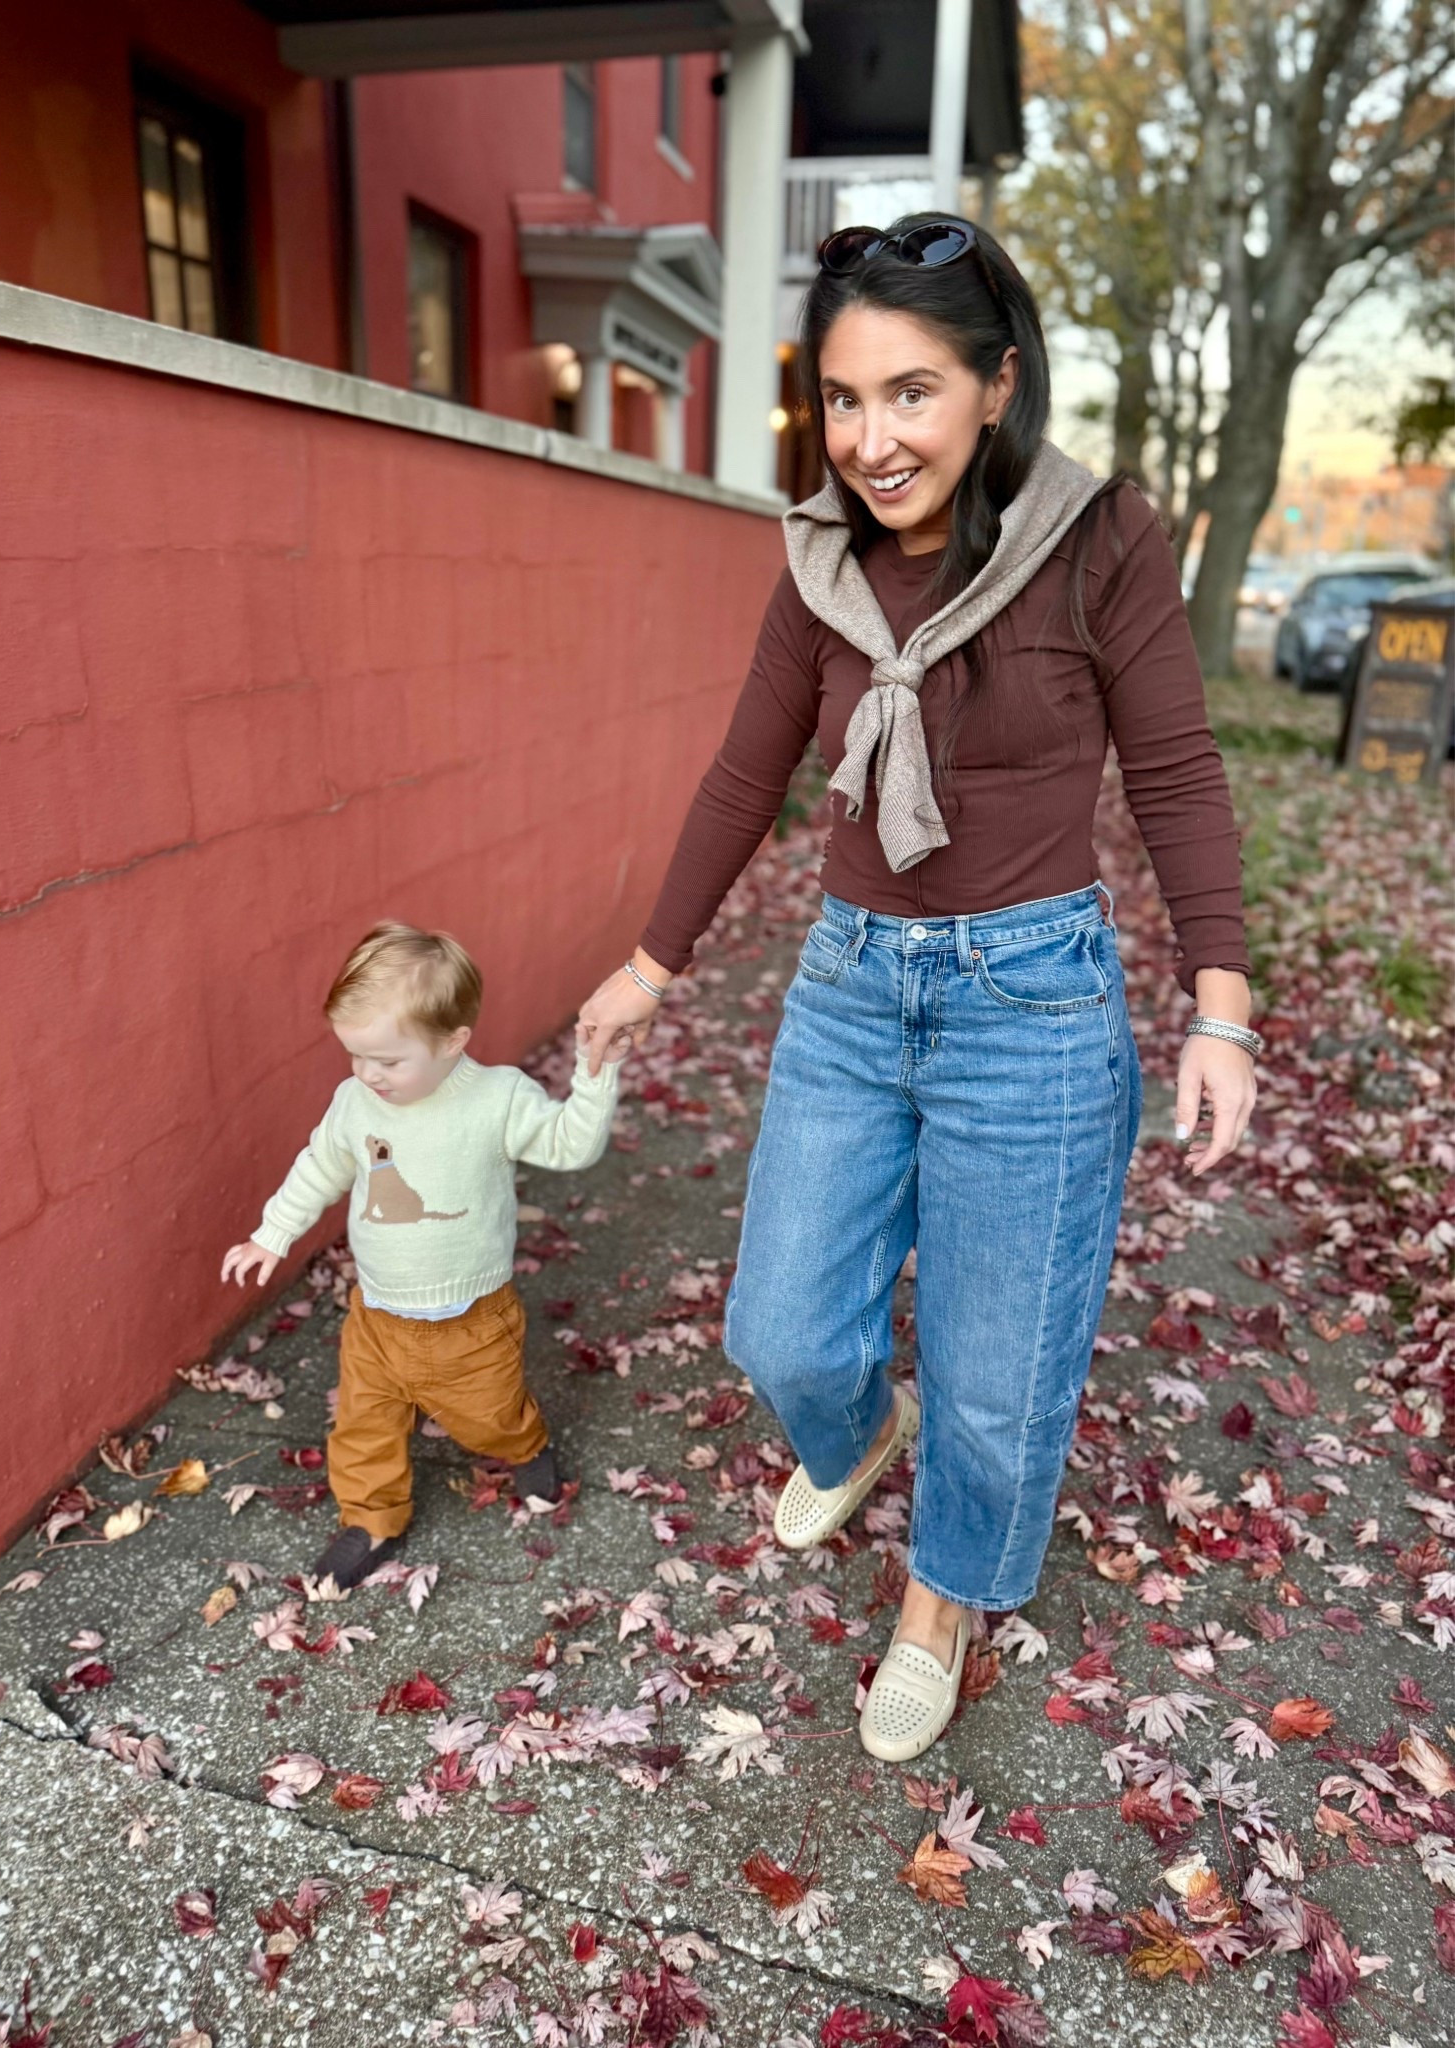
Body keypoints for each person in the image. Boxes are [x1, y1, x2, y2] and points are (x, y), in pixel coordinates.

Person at [578, 216, 1258, 1764]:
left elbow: (1172, 771)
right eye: (840, 399)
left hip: (1031, 1003)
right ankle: (857, 1429)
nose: (869, 440)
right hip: (849, 983)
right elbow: (748, 771)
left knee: (999, 1377)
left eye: (910, 394)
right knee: (784, 1333)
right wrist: (647, 963)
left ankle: (940, 1600)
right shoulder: (820, 559)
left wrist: (1216, 1001)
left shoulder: (1097, 541)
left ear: (997, 385)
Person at [223, 921, 623, 1589]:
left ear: (453, 1041)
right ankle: (373, 1518)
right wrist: (272, 1232)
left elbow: (569, 1146)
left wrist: (594, 1077)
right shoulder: (356, 1103)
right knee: (363, 1428)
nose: (367, 1074)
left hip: (470, 1321)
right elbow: (321, 1165)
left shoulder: (495, 1099)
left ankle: (526, 1444)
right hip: (378, 1315)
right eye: (356, 1056)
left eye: (387, 1060)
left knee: (488, 1415)